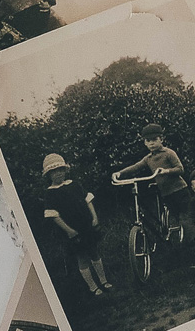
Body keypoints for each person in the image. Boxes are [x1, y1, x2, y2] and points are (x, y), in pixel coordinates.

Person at [115, 123, 193, 256]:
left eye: (154, 139)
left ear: (161, 139)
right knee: (176, 218)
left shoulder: (168, 153)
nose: (151, 143)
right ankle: (185, 243)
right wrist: (120, 173)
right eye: (148, 141)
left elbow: (180, 169)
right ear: (145, 143)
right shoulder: (148, 159)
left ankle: (191, 247)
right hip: (166, 194)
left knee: (186, 219)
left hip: (180, 190)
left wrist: (166, 171)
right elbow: (136, 167)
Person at [44, 154, 115, 296]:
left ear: (65, 170)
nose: (58, 173)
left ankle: (103, 280)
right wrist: (69, 230)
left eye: (60, 170)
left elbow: (88, 200)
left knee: (94, 251)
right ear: (49, 175)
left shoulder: (74, 185)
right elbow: (53, 215)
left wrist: (94, 217)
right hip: (72, 230)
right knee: (82, 257)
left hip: (86, 225)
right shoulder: (50, 193)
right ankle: (92, 286)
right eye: (54, 171)